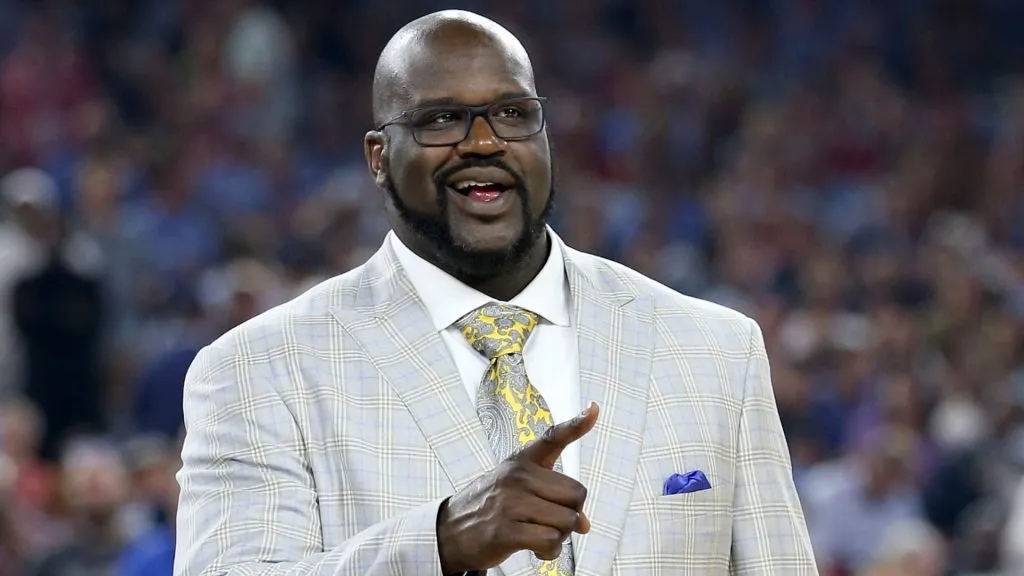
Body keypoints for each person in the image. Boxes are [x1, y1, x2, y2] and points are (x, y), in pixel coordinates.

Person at [174, 10, 816, 576]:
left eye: (513, 114)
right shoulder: (258, 369)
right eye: (441, 120)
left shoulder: (716, 350)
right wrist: (442, 542)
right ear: (377, 157)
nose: (484, 143)